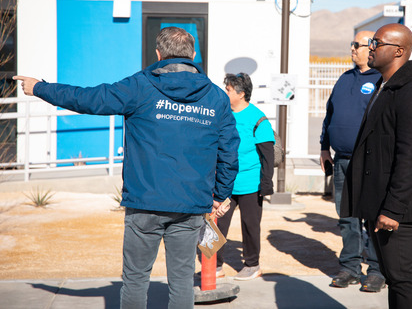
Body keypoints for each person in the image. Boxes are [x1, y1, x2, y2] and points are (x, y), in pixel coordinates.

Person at [14, 27, 239, 309]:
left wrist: (39, 88)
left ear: (158, 54)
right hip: (191, 205)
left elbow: (89, 99)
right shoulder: (216, 98)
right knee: (181, 280)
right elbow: (229, 151)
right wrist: (220, 194)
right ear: (193, 55)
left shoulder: (141, 86)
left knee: (135, 279)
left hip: (145, 203)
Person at [340, 23, 412, 309]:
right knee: (393, 277)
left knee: (404, 278)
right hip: (379, 203)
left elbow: (411, 157)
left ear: (398, 51)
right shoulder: (387, 86)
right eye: (370, 41)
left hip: (398, 210)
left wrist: (393, 209)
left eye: (376, 42)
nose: (370, 47)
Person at [320, 30, 384, 292]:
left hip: (370, 163)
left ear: (371, 48)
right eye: (352, 44)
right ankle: (350, 268)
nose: (352, 49)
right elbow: (329, 116)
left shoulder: (382, 80)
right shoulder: (344, 79)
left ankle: (378, 270)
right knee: (347, 216)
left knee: (372, 217)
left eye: (356, 45)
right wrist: (324, 148)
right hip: (342, 161)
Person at [216, 72, 275, 280]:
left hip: (251, 184)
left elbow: (267, 155)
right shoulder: (223, 114)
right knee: (215, 224)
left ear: (241, 93)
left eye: (229, 89)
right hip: (225, 184)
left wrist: (266, 184)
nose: (226, 92)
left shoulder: (258, 118)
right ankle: (212, 267)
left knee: (250, 226)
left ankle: (252, 265)